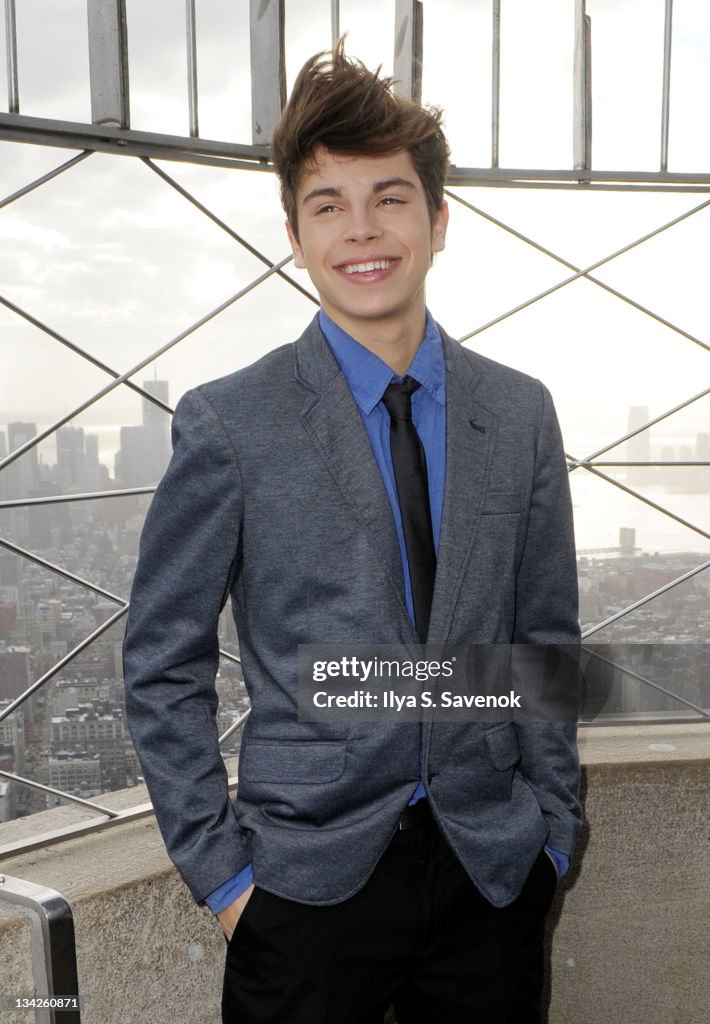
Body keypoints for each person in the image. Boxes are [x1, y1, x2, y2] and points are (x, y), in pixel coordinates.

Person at [124, 43, 582, 1024]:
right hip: (299, 896)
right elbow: (161, 662)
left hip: (489, 883)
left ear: (437, 220)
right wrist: (227, 882)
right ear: (293, 232)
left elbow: (542, 642)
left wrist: (551, 834)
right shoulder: (229, 422)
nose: (361, 229)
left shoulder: (519, 413)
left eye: (389, 197)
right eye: (327, 204)